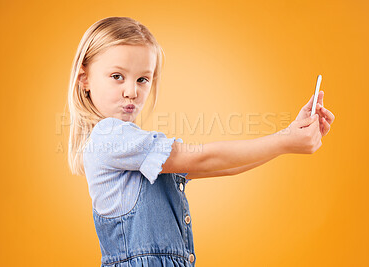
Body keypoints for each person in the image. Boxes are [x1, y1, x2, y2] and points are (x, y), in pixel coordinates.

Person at [66, 16, 335, 267]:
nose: (132, 91)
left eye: (142, 79)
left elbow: (218, 166)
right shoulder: (108, 136)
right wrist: (284, 140)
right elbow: (202, 158)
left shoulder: (137, 147)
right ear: (84, 79)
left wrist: (287, 139)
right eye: (117, 76)